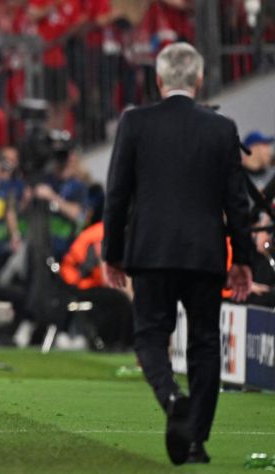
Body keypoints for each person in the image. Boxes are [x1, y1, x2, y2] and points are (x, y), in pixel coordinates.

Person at [102, 43, 253, 465]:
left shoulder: (134, 123)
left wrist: (112, 252)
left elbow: (117, 196)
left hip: (149, 250)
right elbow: (235, 202)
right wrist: (243, 258)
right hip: (205, 253)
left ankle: (171, 398)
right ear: (200, 79)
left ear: (159, 79)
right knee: (205, 345)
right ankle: (195, 441)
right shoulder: (222, 128)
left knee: (150, 334)